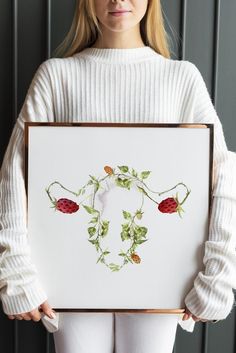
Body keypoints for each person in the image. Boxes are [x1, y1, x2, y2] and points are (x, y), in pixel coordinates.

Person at [0, 0, 236, 352]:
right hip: (69, 280)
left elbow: (223, 179)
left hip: (163, 280)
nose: (118, 0)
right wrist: (16, 271)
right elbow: (14, 176)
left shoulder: (181, 78)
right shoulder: (56, 76)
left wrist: (218, 276)